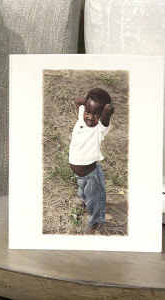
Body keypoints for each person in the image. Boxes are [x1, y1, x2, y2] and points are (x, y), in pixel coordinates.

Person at [69, 88, 114, 234]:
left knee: (95, 200)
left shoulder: (100, 129)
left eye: (96, 115)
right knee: (83, 191)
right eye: (88, 112)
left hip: (92, 176)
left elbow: (108, 108)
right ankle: (84, 200)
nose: (90, 117)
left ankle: (95, 221)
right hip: (80, 175)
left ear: (101, 116)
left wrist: (100, 108)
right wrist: (89, 100)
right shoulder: (82, 117)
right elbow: (77, 99)